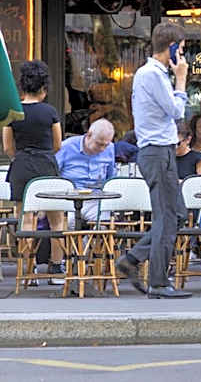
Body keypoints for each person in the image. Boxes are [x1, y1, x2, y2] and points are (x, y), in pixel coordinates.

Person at [117, 21, 191, 299]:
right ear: (171, 48)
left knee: (178, 215)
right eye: (181, 50)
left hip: (162, 151)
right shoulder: (151, 75)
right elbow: (175, 110)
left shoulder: (154, 74)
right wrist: (181, 79)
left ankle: (133, 258)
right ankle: (159, 283)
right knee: (166, 217)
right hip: (157, 152)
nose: (182, 57)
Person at [2, 60, 64, 278]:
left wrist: (20, 157)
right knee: (57, 219)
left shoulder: (13, 113)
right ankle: (56, 266)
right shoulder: (50, 112)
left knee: (25, 218)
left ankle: (27, 268)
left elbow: (8, 147)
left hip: (21, 166)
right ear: (44, 89)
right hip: (46, 165)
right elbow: (58, 144)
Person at [56, 119, 117, 227]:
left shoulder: (110, 148)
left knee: (105, 223)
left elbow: (111, 178)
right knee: (68, 224)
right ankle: (77, 244)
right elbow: (54, 175)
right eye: (99, 144)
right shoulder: (66, 147)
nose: (103, 149)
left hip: (96, 200)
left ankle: (87, 244)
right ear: (89, 135)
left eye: (106, 145)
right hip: (69, 199)